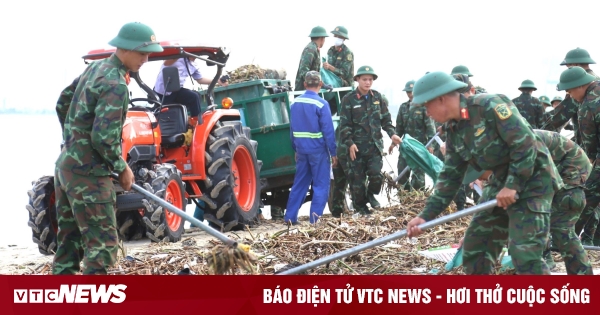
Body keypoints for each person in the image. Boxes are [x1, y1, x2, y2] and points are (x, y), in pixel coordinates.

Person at [406, 71, 563, 275]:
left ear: (441, 99)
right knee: (475, 247)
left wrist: (512, 185)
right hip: (501, 182)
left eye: (427, 105)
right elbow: (450, 178)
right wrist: (425, 216)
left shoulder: (489, 105)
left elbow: (525, 144)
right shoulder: (454, 131)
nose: (427, 112)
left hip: (534, 179)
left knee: (525, 254)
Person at [53, 22, 163, 275]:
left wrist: (73, 138)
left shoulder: (96, 68)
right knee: (102, 246)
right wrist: (121, 167)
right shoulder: (116, 83)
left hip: (66, 167)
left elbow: (63, 102)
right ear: (124, 48)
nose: (146, 60)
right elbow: (104, 138)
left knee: (68, 243)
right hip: (89, 174)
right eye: (142, 53)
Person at [339, 66, 401, 215]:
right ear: (357, 80)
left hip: (374, 147)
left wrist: (392, 134)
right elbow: (344, 126)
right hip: (357, 148)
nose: (368, 82)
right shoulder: (349, 99)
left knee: (375, 175)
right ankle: (362, 209)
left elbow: (386, 120)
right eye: (364, 79)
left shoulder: (378, 98)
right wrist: (350, 143)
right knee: (357, 182)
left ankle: (371, 195)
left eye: (370, 80)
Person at [284, 71, 337, 225]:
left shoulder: (294, 103)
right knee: (320, 185)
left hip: (301, 150)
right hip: (318, 151)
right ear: (320, 84)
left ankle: (290, 217)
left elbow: (292, 129)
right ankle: (314, 220)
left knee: (299, 184)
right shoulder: (322, 104)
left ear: (305, 84)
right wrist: (333, 152)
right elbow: (328, 131)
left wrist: (295, 148)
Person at [556, 66, 600, 246]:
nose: (570, 96)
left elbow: (589, 140)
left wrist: (588, 159)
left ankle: (564, 240)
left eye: (570, 91)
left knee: (586, 197)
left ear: (580, 86)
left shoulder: (589, 103)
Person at [153, 55, 229, 146]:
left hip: (176, 91)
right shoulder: (174, 59)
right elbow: (166, 62)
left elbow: (200, 79)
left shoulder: (193, 65)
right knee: (158, 116)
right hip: (161, 93)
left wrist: (218, 81)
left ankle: (195, 126)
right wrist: (178, 52)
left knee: (194, 96)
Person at [542, 47, 599, 144]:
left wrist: (539, 133)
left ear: (576, 65)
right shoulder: (596, 80)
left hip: (589, 145)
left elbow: (562, 115)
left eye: (569, 67)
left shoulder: (578, 85)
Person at [390, 80, 436, 191]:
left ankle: (418, 201)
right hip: (405, 146)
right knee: (402, 174)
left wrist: (431, 146)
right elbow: (399, 128)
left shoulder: (424, 107)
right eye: (408, 92)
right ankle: (404, 200)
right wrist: (393, 143)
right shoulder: (403, 107)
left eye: (412, 91)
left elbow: (431, 129)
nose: (410, 94)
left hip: (419, 147)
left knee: (418, 178)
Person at [294, 26, 328, 92]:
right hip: (304, 90)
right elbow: (304, 71)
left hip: (310, 90)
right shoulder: (310, 49)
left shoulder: (314, 48)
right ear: (322, 38)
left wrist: (322, 84)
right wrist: (321, 84)